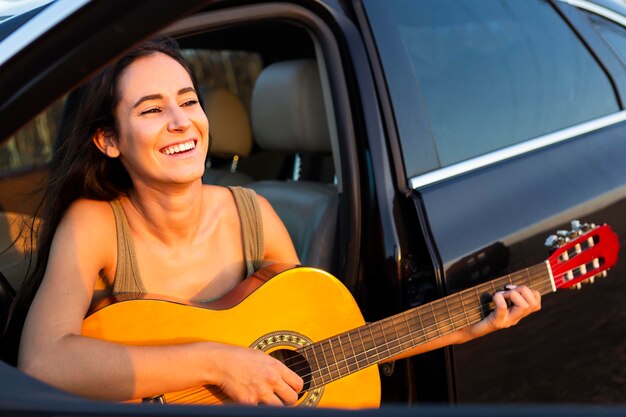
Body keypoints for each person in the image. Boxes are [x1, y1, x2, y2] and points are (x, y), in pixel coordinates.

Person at [11, 37, 541, 406]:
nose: (182, 122)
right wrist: (218, 364)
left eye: (189, 100)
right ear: (107, 140)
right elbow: (43, 363)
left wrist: (461, 328)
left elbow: (322, 352)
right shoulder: (96, 226)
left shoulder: (254, 217)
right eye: (151, 110)